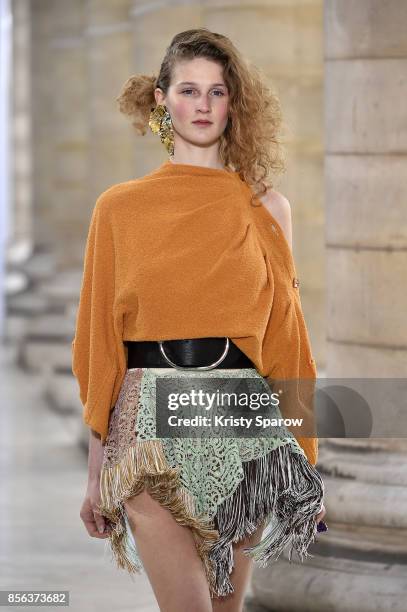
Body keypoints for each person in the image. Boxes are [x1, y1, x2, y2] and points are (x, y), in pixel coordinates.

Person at [73, 27, 327, 612]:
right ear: (162, 99)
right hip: (147, 427)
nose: (204, 105)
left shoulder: (265, 208)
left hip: (242, 420)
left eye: (217, 92)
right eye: (189, 90)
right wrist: (94, 475)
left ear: (233, 103)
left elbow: (288, 339)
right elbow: (98, 346)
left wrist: (304, 466)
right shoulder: (119, 208)